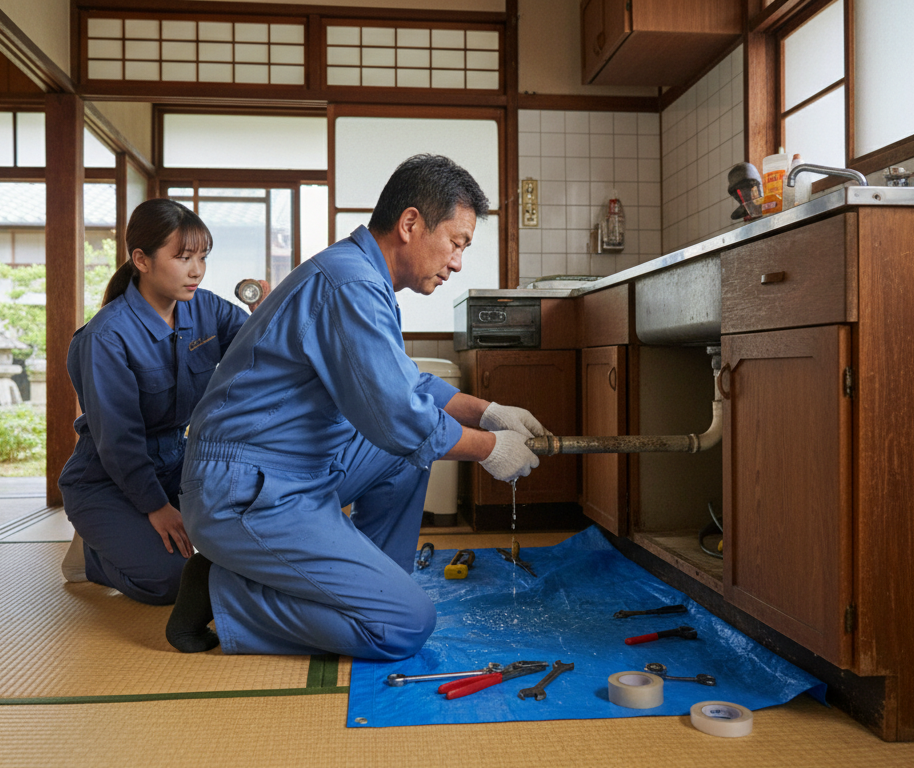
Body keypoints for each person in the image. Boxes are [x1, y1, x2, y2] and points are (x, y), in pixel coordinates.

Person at [166, 154, 548, 658]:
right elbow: (400, 417)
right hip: (243, 490)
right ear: (410, 223)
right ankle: (224, 593)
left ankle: (372, 584)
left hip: (292, 470)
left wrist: (488, 411)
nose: (457, 262)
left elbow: (405, 383)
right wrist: (489, 448)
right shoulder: (350, 284)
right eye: (456, 243)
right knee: (404, 626)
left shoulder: (360, 275)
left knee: (406, 456)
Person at [58, 198, 266, 605]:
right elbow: (118, 439)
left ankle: (126, 535)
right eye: (183, 257)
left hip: (177, 463)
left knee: (260, 524)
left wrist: (265, 315)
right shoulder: (106, 337)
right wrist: (156, 507)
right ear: (142, 260)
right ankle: (92, 554)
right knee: (174, 580)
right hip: (107, 478)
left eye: (202, 257)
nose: (197, 270)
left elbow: (262, 356)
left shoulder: (205, 307)